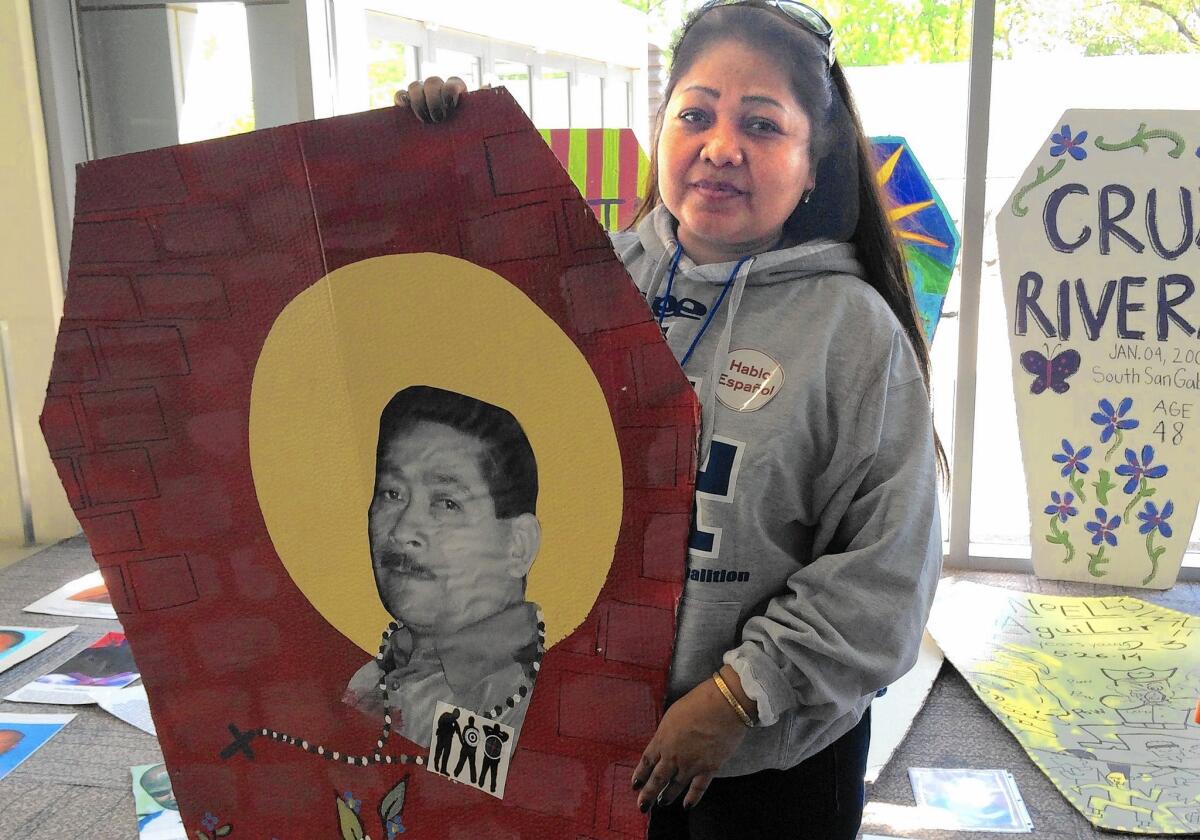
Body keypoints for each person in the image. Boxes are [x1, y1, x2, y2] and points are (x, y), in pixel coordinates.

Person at [401, 1, 944, 836]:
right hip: (591, 736)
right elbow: (450, 361)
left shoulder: (854, 334)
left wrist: (737, 695)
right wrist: (425, 157)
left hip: (767, 760)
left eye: (762, 125)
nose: (721, 147)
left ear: (814, 159)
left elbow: (886, 573)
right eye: (696, 114)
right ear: (661, 128)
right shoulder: (593, 277)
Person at [343, 385, 544, 749]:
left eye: (447, 503)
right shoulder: (370, 679)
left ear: (518, 545)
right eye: (392, 493)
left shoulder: (512, 706)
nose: (403, 531)